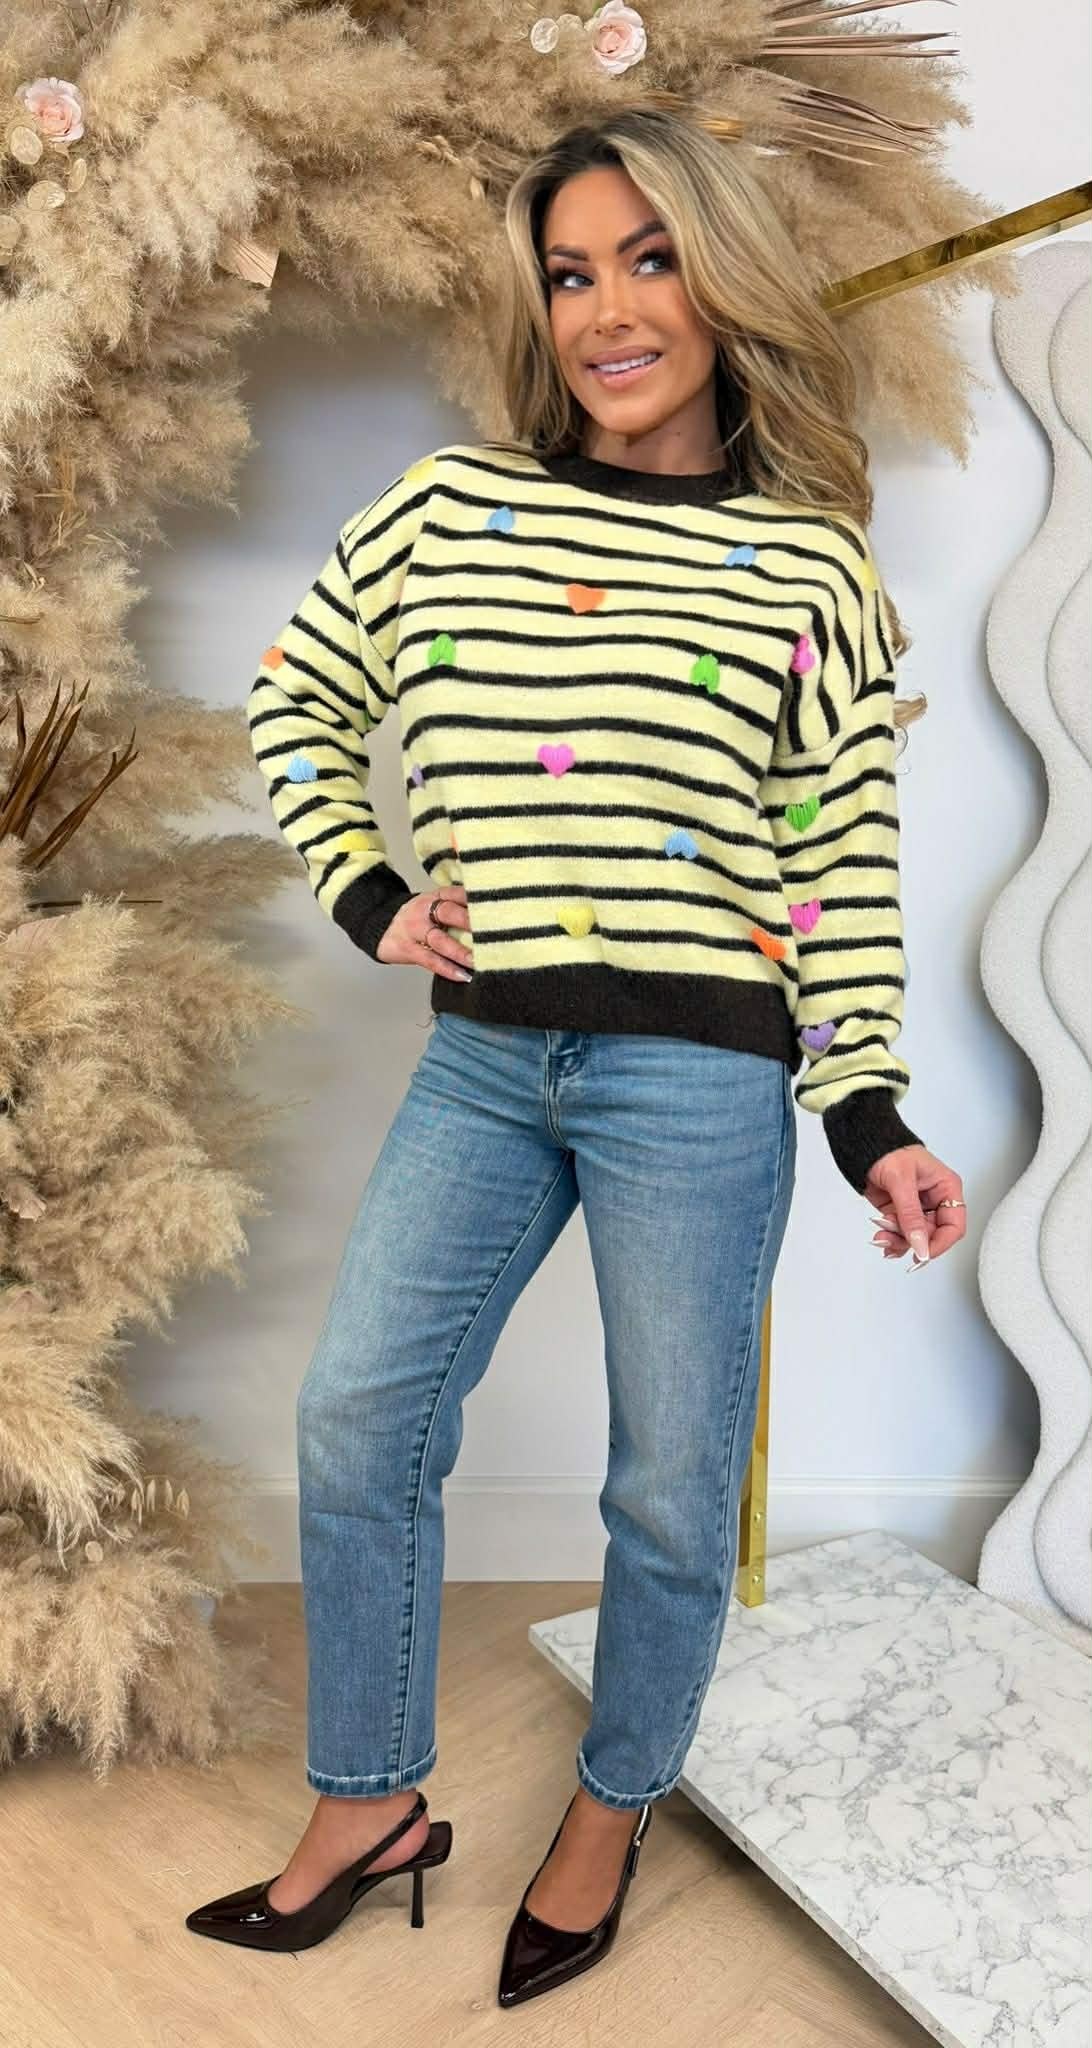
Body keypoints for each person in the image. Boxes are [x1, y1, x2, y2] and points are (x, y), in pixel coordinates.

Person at [186, 106, 967, 2007]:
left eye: (651, 259)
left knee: (669, 1490)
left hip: (700, 1084)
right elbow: (296, 697)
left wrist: (868, 1113)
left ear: (724, 281)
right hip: (484, 1061)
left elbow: (840, 867)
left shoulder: (811, 572)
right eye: (570, 273)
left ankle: (612, 1813)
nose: (609, 310)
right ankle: (369, 1802)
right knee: (361, 1418)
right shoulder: (447, 511)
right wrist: (371, 891)